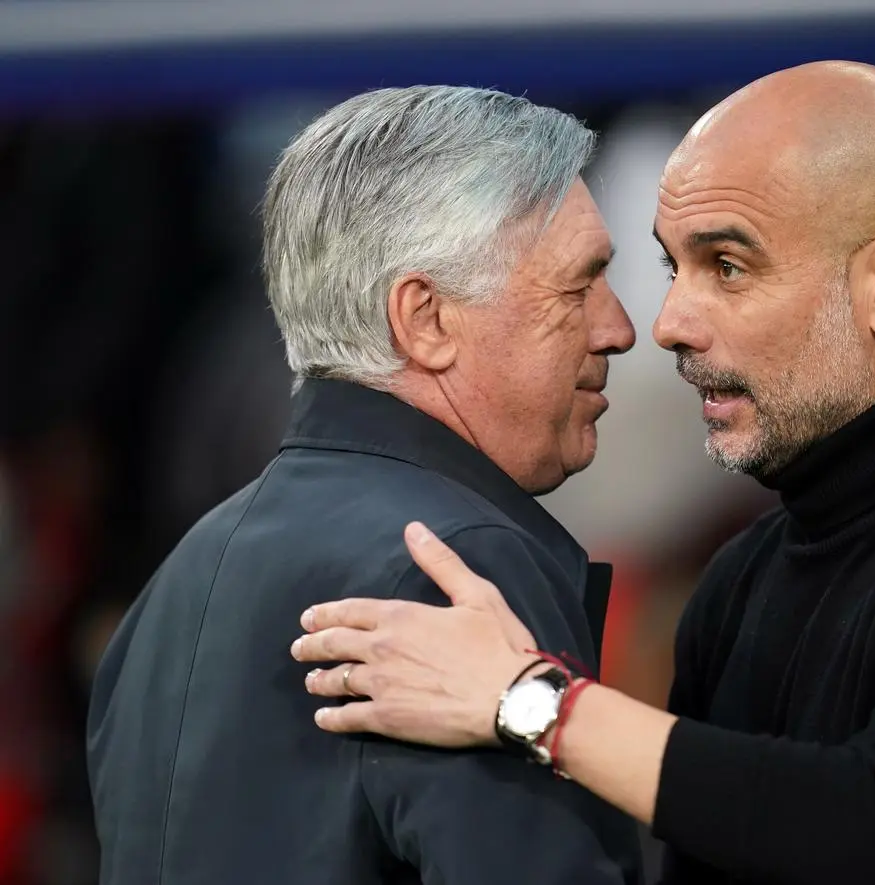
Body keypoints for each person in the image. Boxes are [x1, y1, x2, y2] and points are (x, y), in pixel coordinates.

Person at [290, 62, 875, 885]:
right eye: (672, 266)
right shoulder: (738, 585)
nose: (668, 322)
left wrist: (532, 704)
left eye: (727, 265)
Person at [87, 85, 644, 884]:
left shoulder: (176, 581)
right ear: (425, 318)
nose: (618, 328)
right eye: (577, 285)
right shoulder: (459, 569)